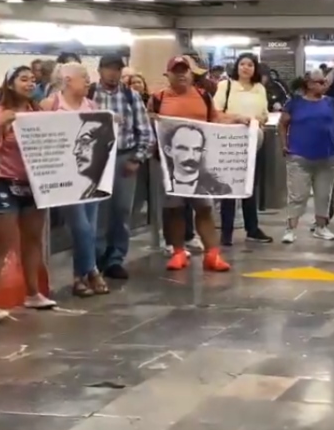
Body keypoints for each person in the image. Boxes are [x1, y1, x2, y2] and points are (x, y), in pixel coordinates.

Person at [0, 66, 56, 316]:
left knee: (33, 240)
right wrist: (1, 128)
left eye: (33, 79)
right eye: (23, 79)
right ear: (10, 84)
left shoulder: (38, 112)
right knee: (2, 244)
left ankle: (33, 292)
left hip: (34, 183)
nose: (30, 83)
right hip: (4, 183)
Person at [149, 55, 234, 272]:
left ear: (190, 73)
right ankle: (178, 252)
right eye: (175, 71)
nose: (180, 74)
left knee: (204, 209)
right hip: (169, 166)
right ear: (168, 75)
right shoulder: (158, 98)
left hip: (201, 165)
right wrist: (151, 121)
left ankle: (212, 254)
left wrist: (239, 121)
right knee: (174, 210)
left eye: (184, 70)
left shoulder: (203, 96)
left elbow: (215, 121)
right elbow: (148, 123)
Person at [41, 62, 111, 297]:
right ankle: (92, 271)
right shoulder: (51, 104)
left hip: (89, 174)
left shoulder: (91, 105)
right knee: (81, 227)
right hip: (64, 175)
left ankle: (79, 276)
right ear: (68, 80)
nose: (88, 80)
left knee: (90, 226)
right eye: (83, 76)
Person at [92, 53, 155, 280]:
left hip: (123, 156)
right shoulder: (90, 94)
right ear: (99, 70)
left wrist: (137, 158)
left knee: (121, 210)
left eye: (117, 69)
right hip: (95, 159)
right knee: (97, 212)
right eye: (108, 68)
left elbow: (145, 131)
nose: (113, 73)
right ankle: (96, 260)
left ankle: (115, 258)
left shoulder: (131, 96)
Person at [213, 53, 273, 245]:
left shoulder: (259, 88)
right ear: (236, 67)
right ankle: (227, 231)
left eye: (250, 65)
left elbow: (264, 113)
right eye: (242, 64)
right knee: (230, 188)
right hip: (231, 142)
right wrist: (238, 119)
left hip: (254, 141)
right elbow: (216, 112)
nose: (246, 68)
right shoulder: (226, 86)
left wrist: (260, 120)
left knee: (250, 187)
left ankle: (252, 228)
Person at [278, 70, 334, 244]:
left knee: (323, 195)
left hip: (327, 156)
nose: (323, 85)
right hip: (299, 156)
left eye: (324, 82)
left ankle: (321, 227)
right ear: (309, 84)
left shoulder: (331, 103)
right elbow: (282, 124)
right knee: (297, 195)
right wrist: (284, 144)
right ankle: (290, 229)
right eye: (320, 82)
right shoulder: (295, 104)